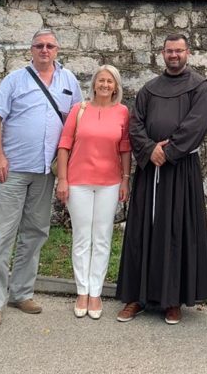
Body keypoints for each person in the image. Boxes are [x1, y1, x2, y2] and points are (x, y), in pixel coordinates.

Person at [0, 29, 82, 328]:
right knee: (2, 235)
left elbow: (76, 122)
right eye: (39, 45)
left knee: (36, 232)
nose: (45, 50)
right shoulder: (14, 80)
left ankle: (22, 292)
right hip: (12, 169)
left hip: (45, 172)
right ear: (31, 49)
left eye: (50, 46)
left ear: (58, 49)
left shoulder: (69, 82)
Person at [116, 34, 207, 325]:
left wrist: (168, 152)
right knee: (141, 232)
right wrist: (150, 150)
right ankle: (136, 297)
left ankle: (173, 300)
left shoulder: (198, 87)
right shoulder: (149, 89)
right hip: (151, 171)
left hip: (180, 170)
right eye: (169, 51)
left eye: (179, 51)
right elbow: (134, 125)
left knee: (176, 231)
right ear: (162, 53)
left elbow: (197, 125)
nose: (174, 55)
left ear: (188, 52)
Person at [55, 64, 131, 319]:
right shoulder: (79, 109)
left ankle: (96, 292)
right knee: (81, 237)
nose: (105, 85)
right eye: (101, 80)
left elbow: (125, 149)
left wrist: (125, 180)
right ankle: (82, 291)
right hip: (78, 182)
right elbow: (64, 145)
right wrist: (62, 180)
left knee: (101, 237)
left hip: (109, 183)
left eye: (110, 81)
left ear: (116, 86)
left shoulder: (122, 112)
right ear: (94, 84)